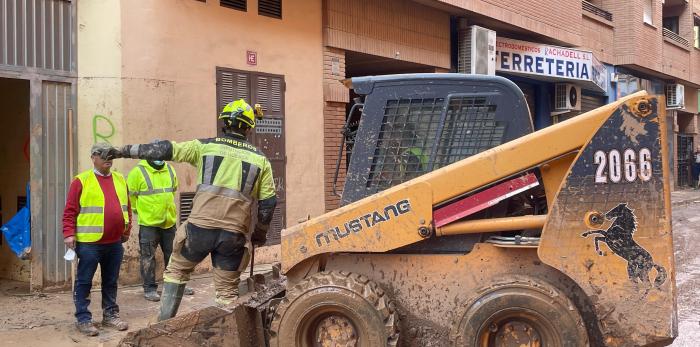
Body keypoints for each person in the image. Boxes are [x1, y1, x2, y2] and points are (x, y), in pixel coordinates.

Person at [104, 99, 276, 321]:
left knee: (176, 272)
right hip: (233, 236)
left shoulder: (205, 147)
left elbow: (165, 149)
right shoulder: (260, 159)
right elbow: (268, 203)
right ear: (249, 128)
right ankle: (228, 334)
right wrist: (259, 234)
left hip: (199, 230)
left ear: (224, 123)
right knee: (226, 292)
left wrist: (121, 151)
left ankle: (162, 329)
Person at [62, 143, 132, 336]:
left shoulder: (119, 179)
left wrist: (127, 230)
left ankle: (110, 315)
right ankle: (83, 318)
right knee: (84, 281)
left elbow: (127, 207)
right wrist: (69, 233)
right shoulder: (81, 180)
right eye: (103, 156)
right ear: (93, 157)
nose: (108, 160)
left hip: (114, 242)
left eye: (111, 157)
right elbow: (70, 210)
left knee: (111, 280)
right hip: (89, 243)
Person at [127, 153, 194, 301]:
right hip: (148, 223)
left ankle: (175, 285)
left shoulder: (170, 169)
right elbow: (131, 196)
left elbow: (172, 190)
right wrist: (140, 211)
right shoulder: (138, 172)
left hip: (168, 222)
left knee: (174, 255)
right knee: (148, 256)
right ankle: (150, 288)